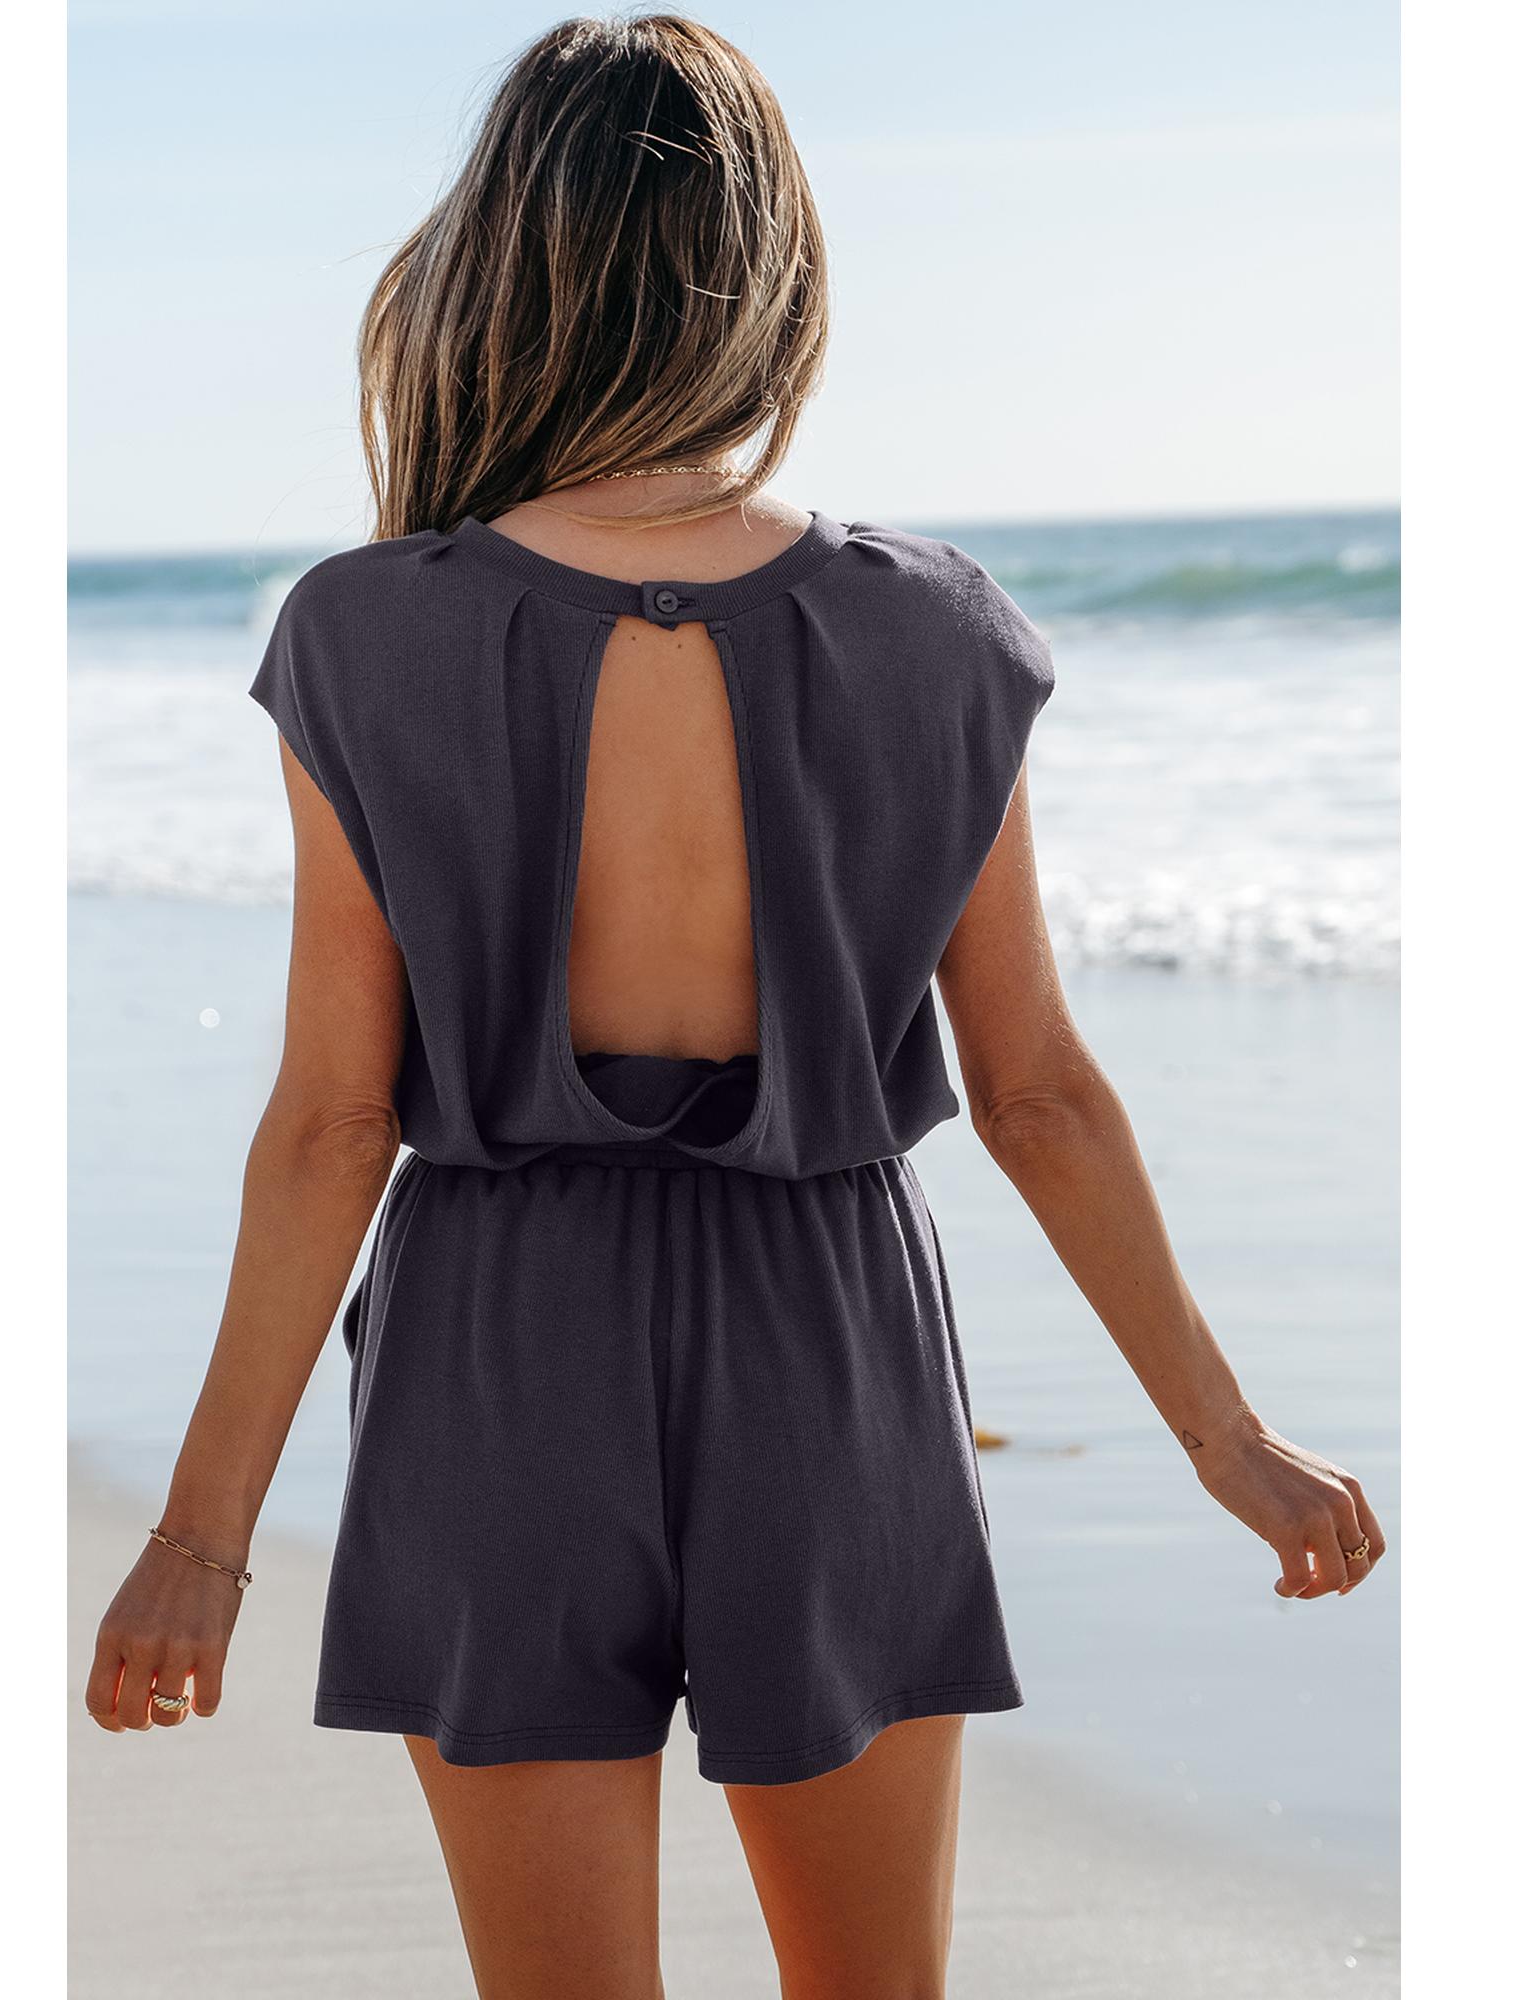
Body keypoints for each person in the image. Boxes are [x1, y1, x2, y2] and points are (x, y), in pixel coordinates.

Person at [83, 16, 1385, 1997]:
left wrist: (202, 1538)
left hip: (496, 1343)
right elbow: (1036, 1090)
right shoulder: (933, 628)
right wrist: (1226, 1437)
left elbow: (332, 1122)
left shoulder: (364, 632)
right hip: (826, 1331)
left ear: (497, 265)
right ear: (771, 271)